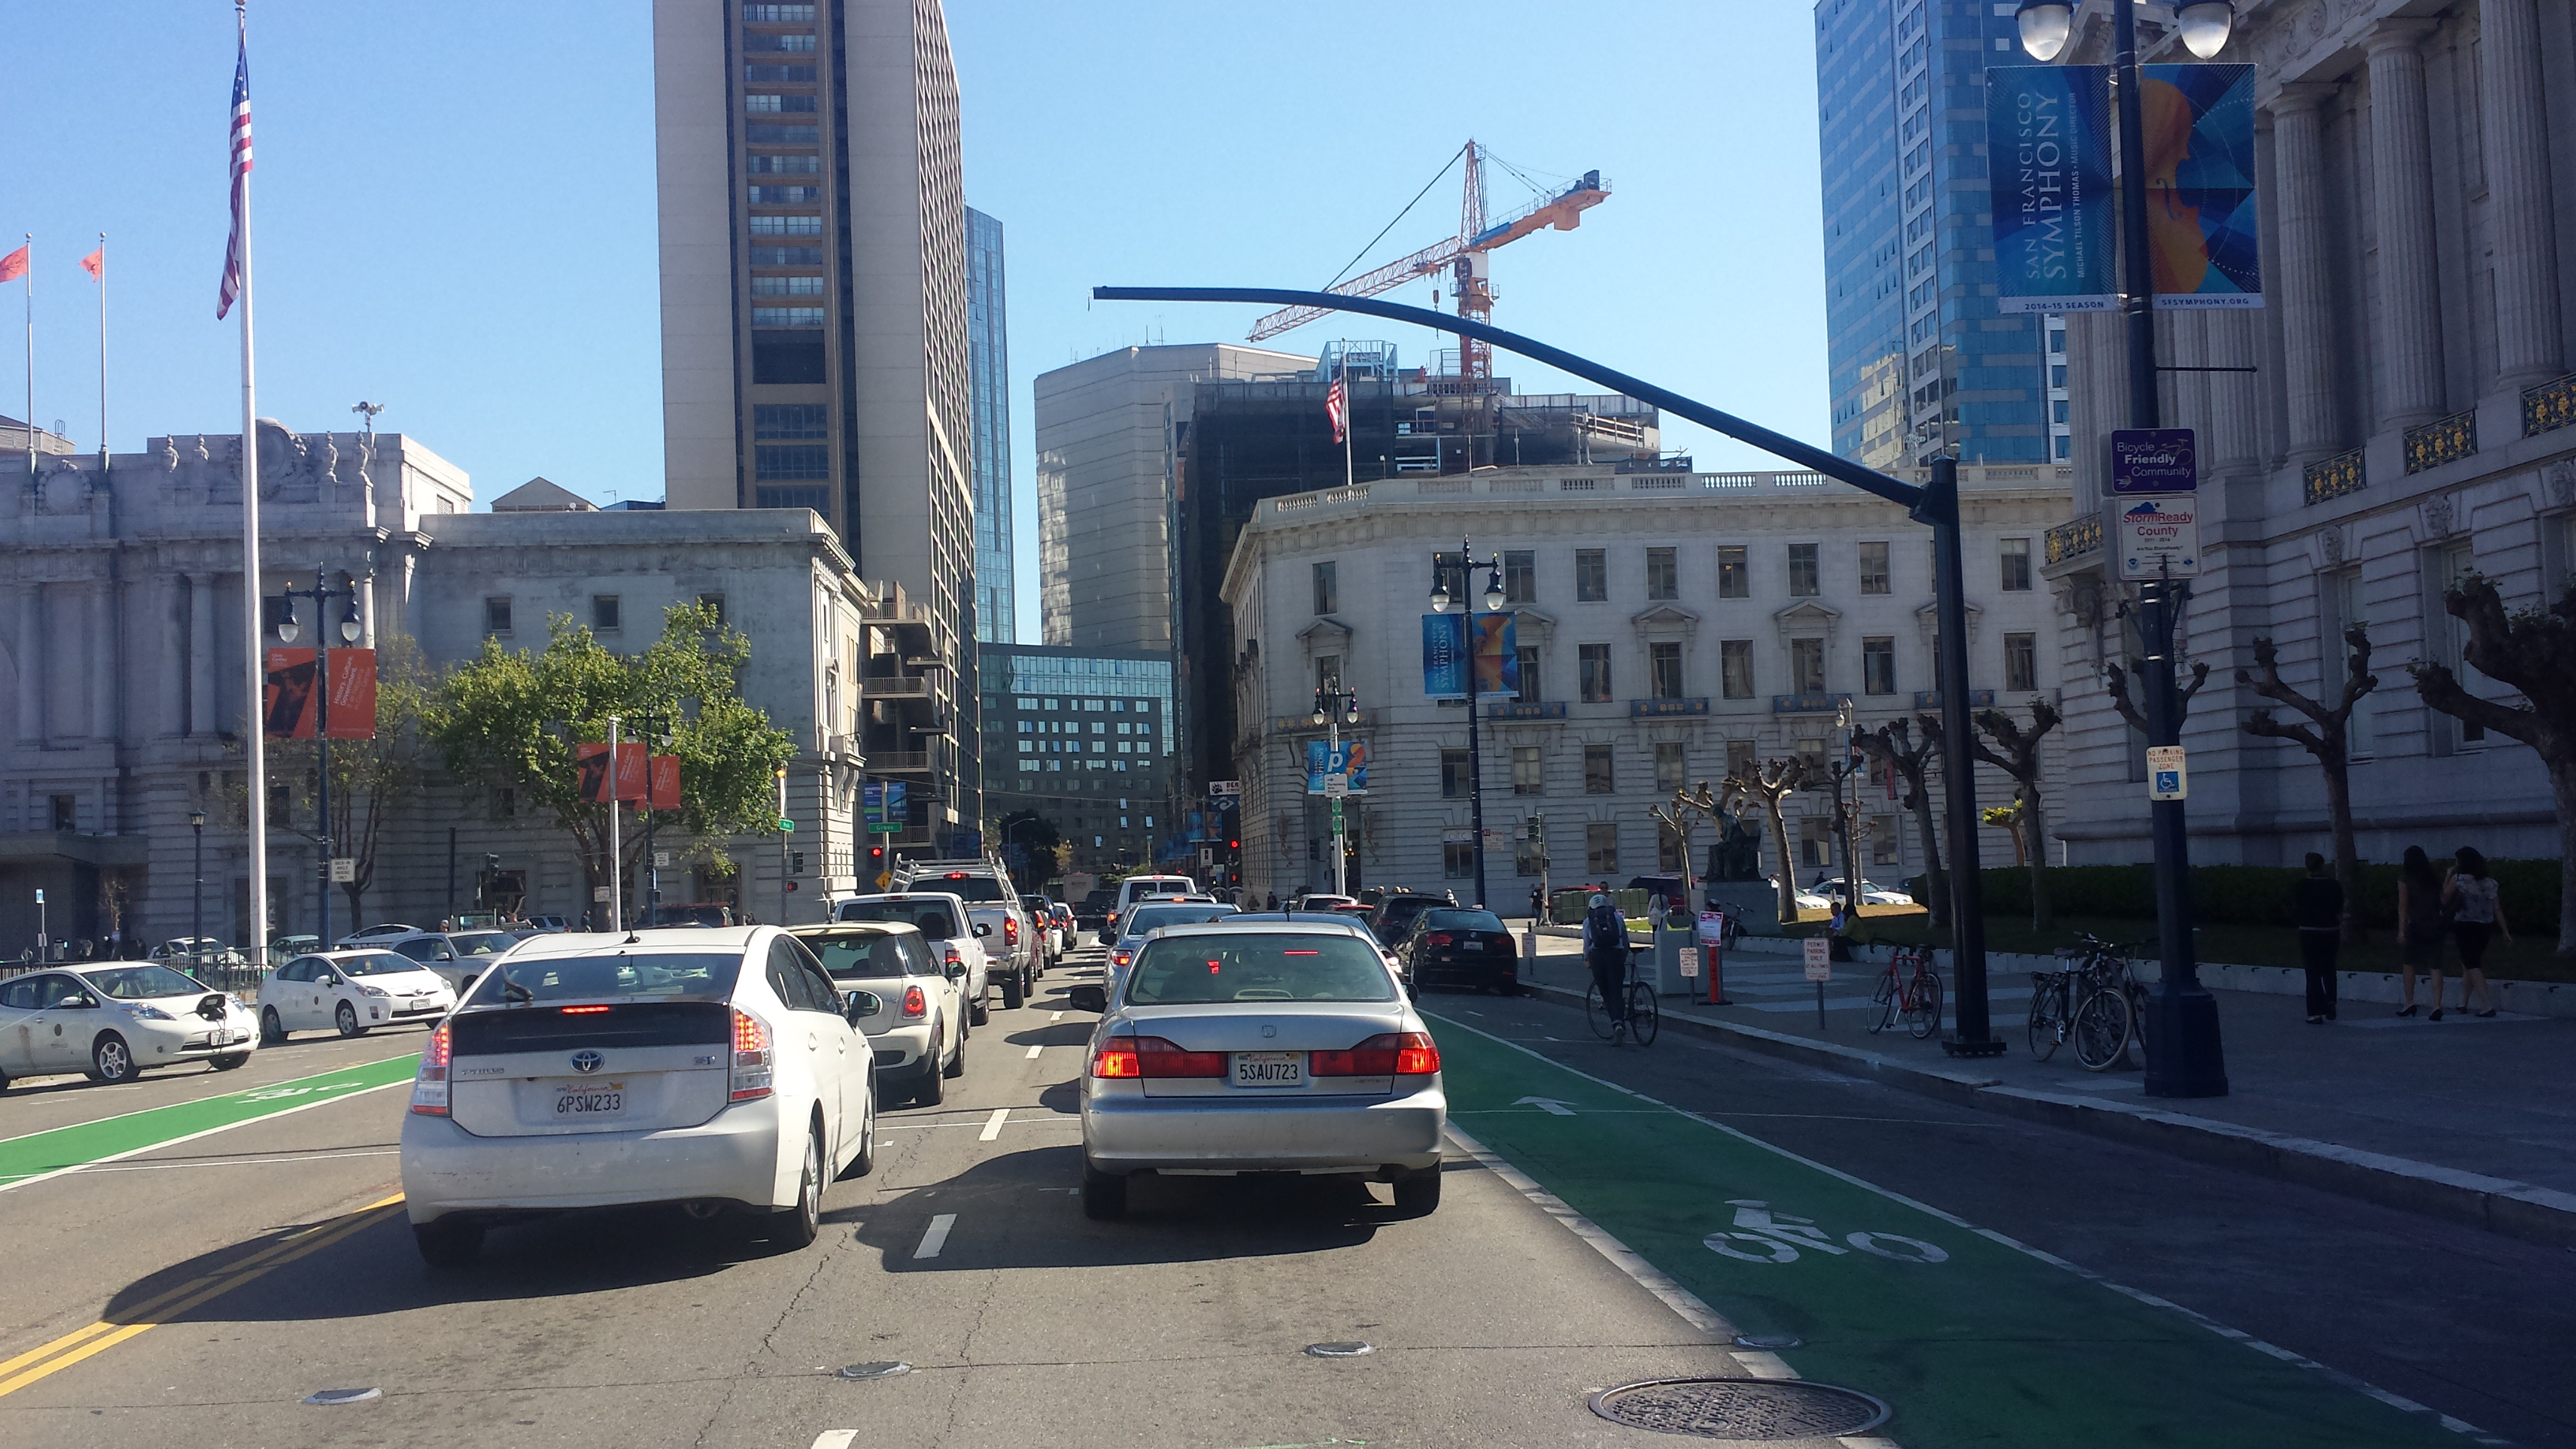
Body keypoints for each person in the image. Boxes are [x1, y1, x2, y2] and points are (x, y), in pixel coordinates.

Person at [2437, 847, 2505, 1020]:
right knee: (2469, 964)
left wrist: (2447, 876)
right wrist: (2505, 931)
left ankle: (2486, 1005)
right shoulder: (2490, 882)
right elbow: (2497, 908)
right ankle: (2463, 1003)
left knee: (2472, 965)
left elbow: (2443, 898)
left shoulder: (2459, 879)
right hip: (2485, 927)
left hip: (2465, 926)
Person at [2291, 852, 2341, 1023]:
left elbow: (2296, 907)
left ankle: (2315, 1011)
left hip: (2309, 930)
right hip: (2331, 930)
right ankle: (2330, 999)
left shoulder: (2301, 886)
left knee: (2312, 972)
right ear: (2322, 865)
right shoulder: (2334, 885)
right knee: (2329, 967)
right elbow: (2339, 907)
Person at [2394, 846, 2441, 1017]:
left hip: (2414, 924)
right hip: (2434, 923)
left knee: (2409, 963)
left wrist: (2401, 930)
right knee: (2435, 965)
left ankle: (2409, 1002)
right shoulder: (2433, 877)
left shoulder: (2405, 878)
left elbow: (2403, 905)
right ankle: (2437, 1005)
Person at [1582, 893, 1633, 1043]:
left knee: (1605, 991)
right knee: (1616, 990)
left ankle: (1616, 1023)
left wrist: (1586, 958)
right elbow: (1625, 939)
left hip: (1597, 956)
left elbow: (1586, 943)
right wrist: (1624, 954)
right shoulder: (1617, 917)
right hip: (1615, 954)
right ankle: (1619, 1021)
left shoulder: (1587, 921)